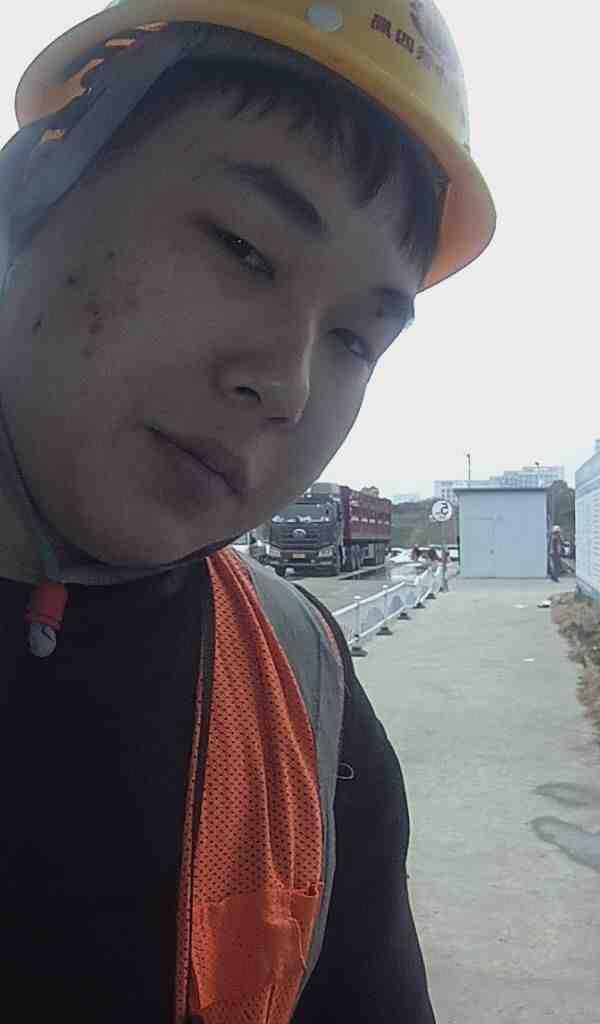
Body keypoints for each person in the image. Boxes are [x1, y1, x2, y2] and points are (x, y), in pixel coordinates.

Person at [0, 2, 495, 1021]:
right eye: (243, 248)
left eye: (355, 339)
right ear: (33, 191)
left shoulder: (299, 690)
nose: (287, 384)